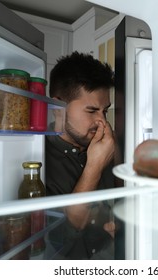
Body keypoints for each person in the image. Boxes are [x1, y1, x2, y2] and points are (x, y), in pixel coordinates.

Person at [45, 52, 118, 259]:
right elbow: (63, 233)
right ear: (57, 108)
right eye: (92, 110)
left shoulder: (104, 143)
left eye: (105, 111)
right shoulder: (38, 156)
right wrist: (94, 166)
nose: (101, 121)